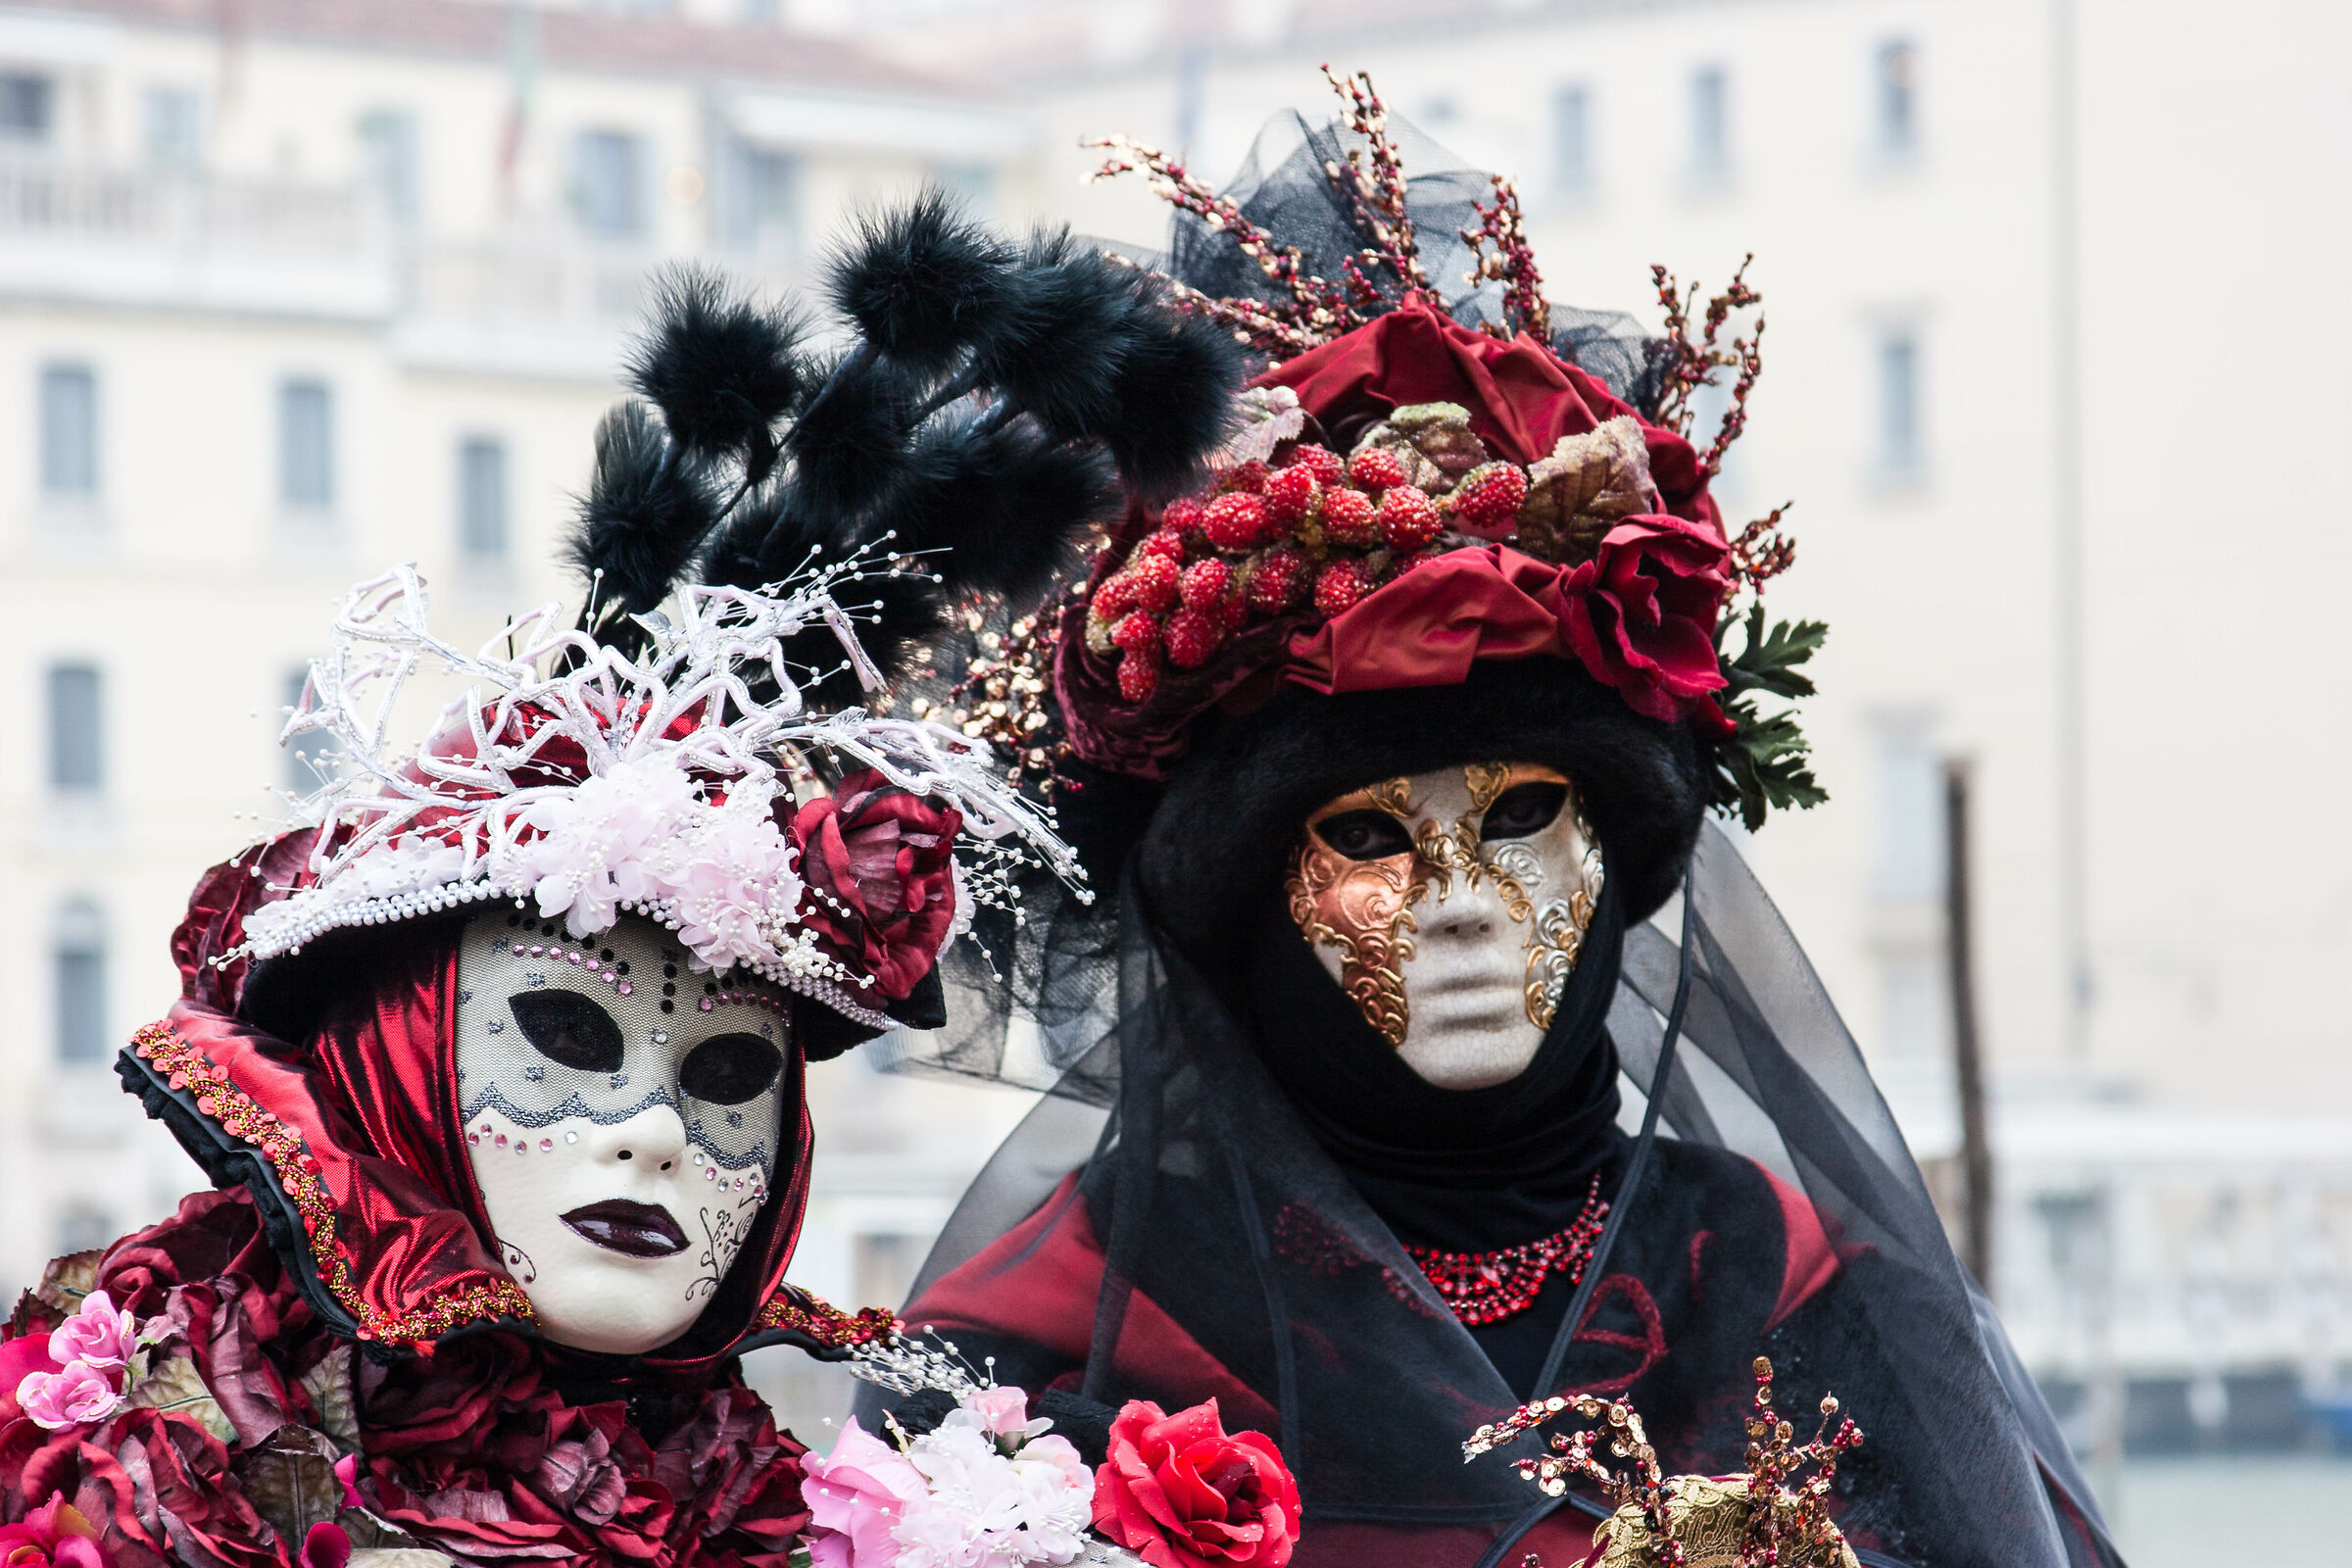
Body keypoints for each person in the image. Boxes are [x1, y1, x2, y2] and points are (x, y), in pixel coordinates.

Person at [865, 76, 2125, 1568]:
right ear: (1250, 895)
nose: (1463, 902)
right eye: (1370, 839)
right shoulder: (1052, 1346)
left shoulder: (1786, 1287)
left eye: (1524, 818)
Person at [0, 219, 1238, 1568]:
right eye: (566, 1034)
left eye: (726, 1076)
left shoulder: (786, 1517)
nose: (653, 1136)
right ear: (392, 1059)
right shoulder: (136, 1479)